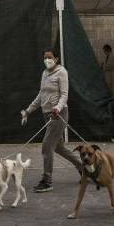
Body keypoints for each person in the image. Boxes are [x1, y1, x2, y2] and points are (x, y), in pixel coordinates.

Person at [20, 48, 82, 193]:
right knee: (59, 147)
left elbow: (65, 95)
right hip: (47, 115)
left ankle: (47, 180)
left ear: (56, 59)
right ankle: (84, 169)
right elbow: (41, 95)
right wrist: (28, 111)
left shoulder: (62, 72)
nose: (47, 60)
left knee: (46, 146)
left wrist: (58, 108)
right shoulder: (45, 73)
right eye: (45, 58)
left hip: (59, 115)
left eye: (50, 57)